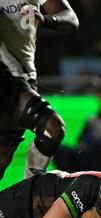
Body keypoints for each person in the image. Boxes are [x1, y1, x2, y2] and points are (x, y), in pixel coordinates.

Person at [0, 0, 78, 179]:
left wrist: (43, 19)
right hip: (4, 78)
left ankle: (25, 196)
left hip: (24, 79)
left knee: (2, 160)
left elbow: (70, 18)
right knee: (52, 127)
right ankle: (30, 191)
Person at [53, 79, 101, 173]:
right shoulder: (93, 118)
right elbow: (81, 140)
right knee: (58, 150)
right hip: (91, 155)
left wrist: (95, 143)